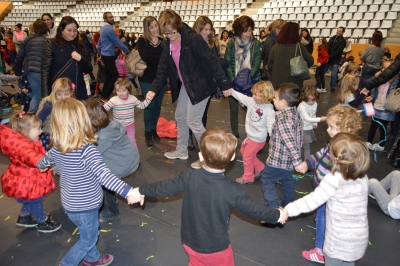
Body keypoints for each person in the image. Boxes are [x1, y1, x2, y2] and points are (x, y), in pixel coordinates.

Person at [132, 127, 286, 266]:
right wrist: (278, 214)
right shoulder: (232, 189)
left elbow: (163, 187)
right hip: (216, 250)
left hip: (189, 242)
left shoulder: (189, 176)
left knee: (197, 262)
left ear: (200, 156)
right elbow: (255, 211)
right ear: (232, 157)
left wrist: (140, 190)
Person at [36, 98, 139, 266]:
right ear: (83, 121)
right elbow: (104, 175)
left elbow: (43, 161)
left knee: (87, 234)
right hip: (86, 206)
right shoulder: (87, 150)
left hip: (71, 205)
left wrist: (40, 167)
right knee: (89, 239)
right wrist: (128, 191)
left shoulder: (58, 147)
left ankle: (92, 259)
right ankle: (67, 263)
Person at [145, 9, 231, 165]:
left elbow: (212, 61)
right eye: (166, 34)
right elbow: (163, 69)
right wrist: (153, 89)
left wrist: (224, 84)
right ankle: (182, 150)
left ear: (178, 26)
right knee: (180, 118)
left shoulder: (193, 39)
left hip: (201, 85)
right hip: (186, 86)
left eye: (171, 33)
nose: (169, 36)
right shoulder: (169, 43)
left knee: (194, 122)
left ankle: (209, 158)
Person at [284, 133, 369, 266]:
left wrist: (287, 210)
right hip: (359, 240)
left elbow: (311, 201)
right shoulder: (363, 178)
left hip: (337, 242)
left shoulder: (333, 179)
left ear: (336, 159)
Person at [296, 105, 362, 264]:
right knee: (323, 217)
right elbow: (321, 155)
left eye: (332, 127)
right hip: (324, 190)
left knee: (322, 218)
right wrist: (307, 163)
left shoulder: (345, 150)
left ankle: (320, 250)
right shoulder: (335, 142)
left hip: (329, 194)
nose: (328, 130)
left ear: (345, 128)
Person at [0, 112, 61, 233]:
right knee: (35, 200)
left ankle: (24, 217)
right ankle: (42, 221)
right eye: (38, 128)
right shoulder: (23, 146)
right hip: (28, 180)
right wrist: (41, 162)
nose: (41, 131)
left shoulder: (23, 141)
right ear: (25, 131)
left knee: (30, 199)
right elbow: (30, 156)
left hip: (26, 177)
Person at [83, 98, 140, 223]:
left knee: (100, 178)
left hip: (123, 163)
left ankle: (110, 212)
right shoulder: (109, 123)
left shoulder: (101, 137)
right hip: (128, 157)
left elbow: (87, 157)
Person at [261, 83, 305, 208]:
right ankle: (287, 204)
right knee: (287, 181)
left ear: (283, 102)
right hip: (288, 163)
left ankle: (273, 210)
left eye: (275, 97)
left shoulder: (284, 120)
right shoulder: (295, 114)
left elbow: (290, 142)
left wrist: (298, 162)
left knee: (267, 181)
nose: (273, 99)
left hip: (278, 161)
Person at [224, 81, 275, 184]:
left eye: (256, 94)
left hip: (258, 140)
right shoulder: (252, 102)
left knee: (247, 157)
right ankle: (260, 167)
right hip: (250, 137)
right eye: (253, 94)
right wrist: (231, 91)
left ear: (264, 95)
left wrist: (273, 138)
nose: (253, 96)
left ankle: (248, 177)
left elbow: (271, 126)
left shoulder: (269, 111)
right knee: (243, 151)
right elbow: (241, 97)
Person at [224, 15, 261, 138]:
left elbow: (256, 62)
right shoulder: (231, 43)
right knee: (234, 111)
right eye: (245, 30)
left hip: (251, 83)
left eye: (250, 30)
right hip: (234, 82)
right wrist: (233, 80)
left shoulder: (256, 43)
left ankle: (252, 136)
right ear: (239, 30)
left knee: (252, 110)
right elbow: (227, 62)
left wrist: (248, 79)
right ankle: (234, 134)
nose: (248, 33)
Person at [41, 16, 93, 100]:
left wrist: (80, 59)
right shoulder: (51, 44)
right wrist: (46, 97)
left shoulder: (81, 46)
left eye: (75, 30)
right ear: (61, 30)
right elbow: (45, 73)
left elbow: (89, 69)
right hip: (60, 93)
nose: (72, 33)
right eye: (69, 30)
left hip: (78, 91)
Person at [137, 16, 165, 147]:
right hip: (147, 79)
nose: (155, 29)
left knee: (157, 107)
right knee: (149, 106)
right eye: (151, 26)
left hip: (161, 79)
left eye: (156, 25)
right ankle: (148, 131)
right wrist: (160, 58)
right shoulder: (142, 41)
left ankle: (154, 129)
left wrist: (157, 59)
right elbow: (146, 57)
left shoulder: (163, 41)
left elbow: (165, 59)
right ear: (147, 28)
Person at [103, 78, 151, 148]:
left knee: (132, 142)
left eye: (123, 90)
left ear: (128, 90)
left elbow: (142, 106)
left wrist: (148, 99)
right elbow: (104, 108)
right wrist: (97, 109)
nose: (120, 93)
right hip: (118, 127)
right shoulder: (114, 100)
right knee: (118, 143)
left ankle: (134, 156)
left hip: (129, 127)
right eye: (118, 90)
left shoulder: (132, 99)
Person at [267, 22, 314, 89]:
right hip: (294, 83)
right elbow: (311, 61)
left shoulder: (276, 47)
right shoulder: (299, 46)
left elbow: (270, 66)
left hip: (277, 84)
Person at [14, 20, 48, 113]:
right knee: (46, 96)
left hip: (30, 72)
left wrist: (17, 73)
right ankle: (43, 118)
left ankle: (30, 117)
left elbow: (19, 58)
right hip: (44, 73)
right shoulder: (47, 41)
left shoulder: (27, 40)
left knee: (36, 96)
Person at [365, 59, 398, 152]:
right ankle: (369, 142)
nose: (386, 71)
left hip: (386, 110)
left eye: (389, 68)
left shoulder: (395, 82)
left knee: (383, 127)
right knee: (373, 126)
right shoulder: (379, 80)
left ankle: (382, 145)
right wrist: (371, 97)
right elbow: (375, 91)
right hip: (376, 107)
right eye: (384, 68)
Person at [98, 12, 130, 100]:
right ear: (105, 19)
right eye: (109, 17)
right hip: (108, 55)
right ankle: (105, 95)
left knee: (109, 76)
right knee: (115, 76)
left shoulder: (103, 29)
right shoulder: (108, 29)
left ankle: (104, 96)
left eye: (112, 17)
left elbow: (99, 44)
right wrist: (127, 51)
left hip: (106, 55)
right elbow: (117, 41)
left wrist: (101, 53)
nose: (112, 18)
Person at [37, 77, 74, 151]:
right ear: (54, 93)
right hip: (50, 137)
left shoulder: (71, 103)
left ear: (71, 93)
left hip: (64, 135)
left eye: (66, 94)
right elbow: (38, 120)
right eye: (59, 94)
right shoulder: (49, 105)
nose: (63, 97)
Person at [298, 86, 326, 160]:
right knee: (299, 146)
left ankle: (306, 162)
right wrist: (319, 119)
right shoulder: (301, 106)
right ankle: (297, 160)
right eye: (309, 100)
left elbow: (313, 113)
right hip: (300, 129)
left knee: (307, 146)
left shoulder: (315, 104)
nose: (312, 102)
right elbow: (307, 118)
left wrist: (314, 123)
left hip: (308, 128)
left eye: (314, 100)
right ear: (304, 98)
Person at [323, 27, 347, 93]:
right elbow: (327, 46)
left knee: (333, 75)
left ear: (342, 32)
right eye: (337, 30)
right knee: (322, 72)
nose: (338, 32)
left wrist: (329, 56)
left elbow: (338, 51)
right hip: (329, 58)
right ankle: (318, 85)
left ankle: (332, 87)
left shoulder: (343, 41)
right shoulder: (332, 38)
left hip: (335, 59)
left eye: (340, 31)